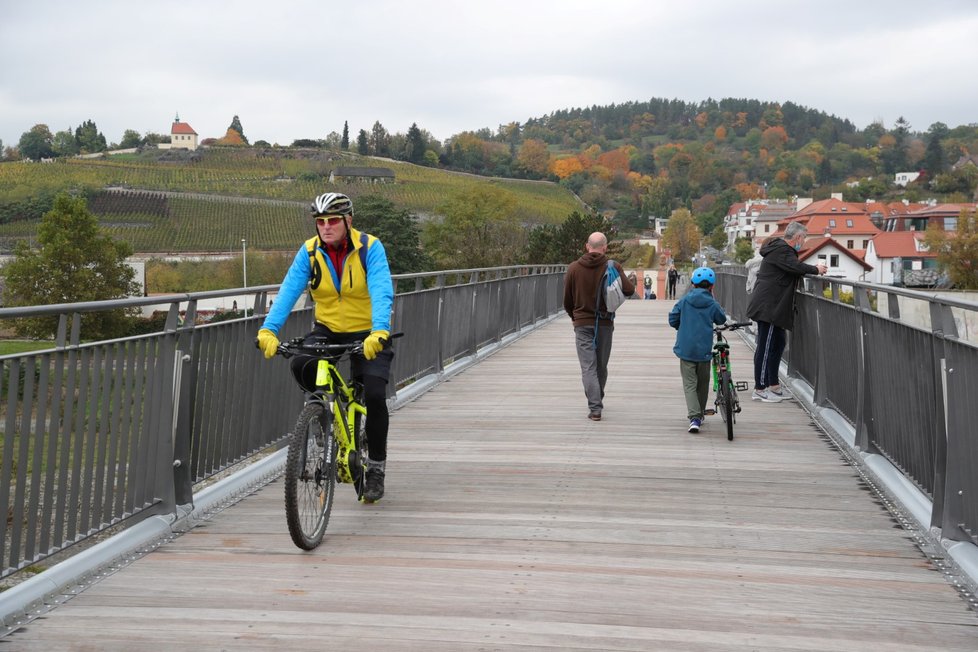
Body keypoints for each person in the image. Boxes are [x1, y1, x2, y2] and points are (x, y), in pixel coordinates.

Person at [256, 192, 395, 502]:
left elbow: (382, 290)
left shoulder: (370, 248)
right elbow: (289, 291)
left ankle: (375, 468)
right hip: (328, 330)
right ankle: (321, 417)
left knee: (373, 393)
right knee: (299, 363)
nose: (326, 227)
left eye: (333, 220)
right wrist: (269, 329)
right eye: (321, 222)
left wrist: (379, 331)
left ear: (348, 221)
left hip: (367, 331)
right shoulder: (309, 252)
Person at [746, 222, 826, 403]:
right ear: (797, 237)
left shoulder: (779, 250)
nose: (803, 242)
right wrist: (816, 269)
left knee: (778, 343)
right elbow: (796, 267)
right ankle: (759, 388)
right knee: (765, 347)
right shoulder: (783, 250)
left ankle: (773, 385)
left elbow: (792, 267)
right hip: (769, 306)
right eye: (803, 238)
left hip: (774, 305)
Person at [563, 232, 635, 421]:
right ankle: (597, 399)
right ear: (604, 247)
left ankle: (595, 407)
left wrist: (574, 316)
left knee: (588, 367)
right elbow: (629, 290)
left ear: (587, 246)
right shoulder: (612, 266)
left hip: (581, 324)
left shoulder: (573, 269)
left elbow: (567, 301)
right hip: (604, 323)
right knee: (601, 366)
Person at [668, 267, 727, 433]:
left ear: (693, 284)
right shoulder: (712, 303)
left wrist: (682, 326)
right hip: (704, 350)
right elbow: (721, 319)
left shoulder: (685, 301)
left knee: (689, 384)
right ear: (712, 287)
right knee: (703, 383)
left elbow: (673, 318)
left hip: (686, 348)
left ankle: (694, 417)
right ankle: (699, 414)